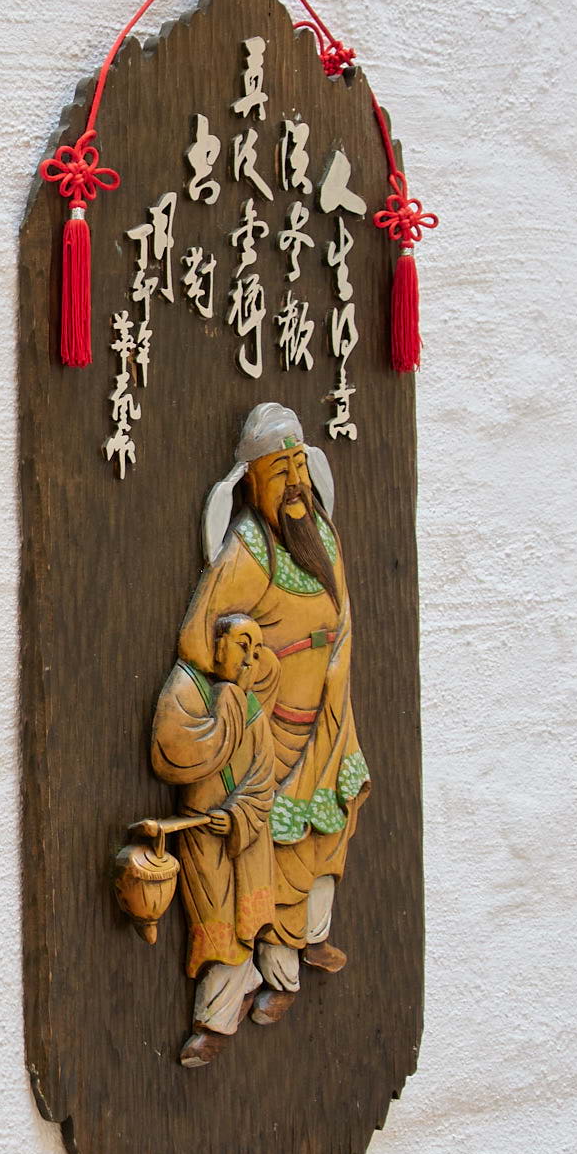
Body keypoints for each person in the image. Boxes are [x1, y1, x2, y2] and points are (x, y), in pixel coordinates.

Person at [141, 401, 376, 1064]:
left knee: (320, 841)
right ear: (251, 484)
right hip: (265, 738)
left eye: (299, 467)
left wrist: (333, 690)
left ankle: (298, 954)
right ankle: (234, 996)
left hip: (325, 726)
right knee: (253, 867)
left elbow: (343, 622)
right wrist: (253, 685)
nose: (295, 484)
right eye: (280, 473)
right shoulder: (248, 551)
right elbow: (201, 638)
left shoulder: (321, 537)